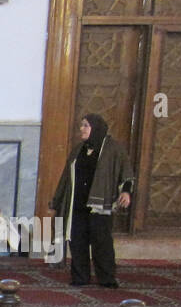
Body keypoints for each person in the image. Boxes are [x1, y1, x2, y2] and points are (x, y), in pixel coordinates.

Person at [50, 113, 133, 288]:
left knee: (101, 242)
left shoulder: (113, 149)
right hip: (77, 204)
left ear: (96, 128)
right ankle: (80, 277)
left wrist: (126, 192)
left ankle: (106, 278)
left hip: (99, 205)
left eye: (86, 125)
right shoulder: (78, 150)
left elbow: (125, 172)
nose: (82, 129)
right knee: (77, 240)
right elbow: (66, 177)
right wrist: (57, 202)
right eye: (81, 125)